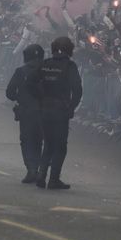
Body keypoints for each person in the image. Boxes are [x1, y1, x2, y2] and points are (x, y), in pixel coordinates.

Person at [30, 36, 83, 189]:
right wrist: (71, 107)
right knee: (60, 146)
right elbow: (77, 90)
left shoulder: (45, 64)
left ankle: (41, 175)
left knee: (48, 143)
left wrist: (39, 98)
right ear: (69, 50)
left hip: (44, 108)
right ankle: (53, 179)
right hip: (60, 111)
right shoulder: (69, 66)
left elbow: (30, 82)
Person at [6, 44, 45, 183]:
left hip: (26, 112)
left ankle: (31, 169)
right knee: (38, 141)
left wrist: (20, 98)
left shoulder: (20, 71)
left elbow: (9, 92)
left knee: (27, 141)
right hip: (43, 112)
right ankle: (39, 169)